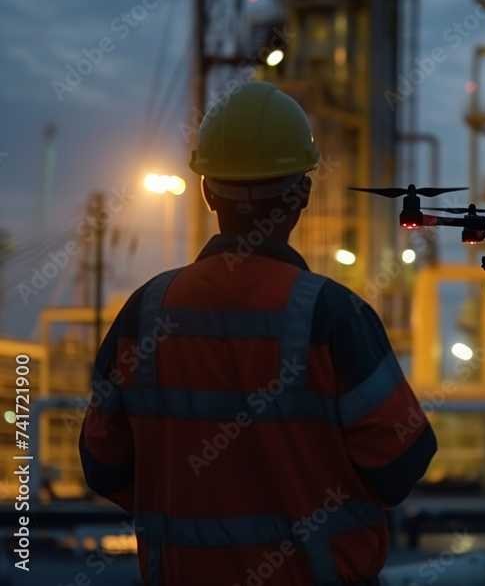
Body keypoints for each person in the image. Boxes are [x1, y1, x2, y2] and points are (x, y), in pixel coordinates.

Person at [79, 81, 436, 585]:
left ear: (206, 191)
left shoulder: (143, 313)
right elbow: (401, 465)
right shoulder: (334, 315)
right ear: (304, 193)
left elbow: (102, 466)